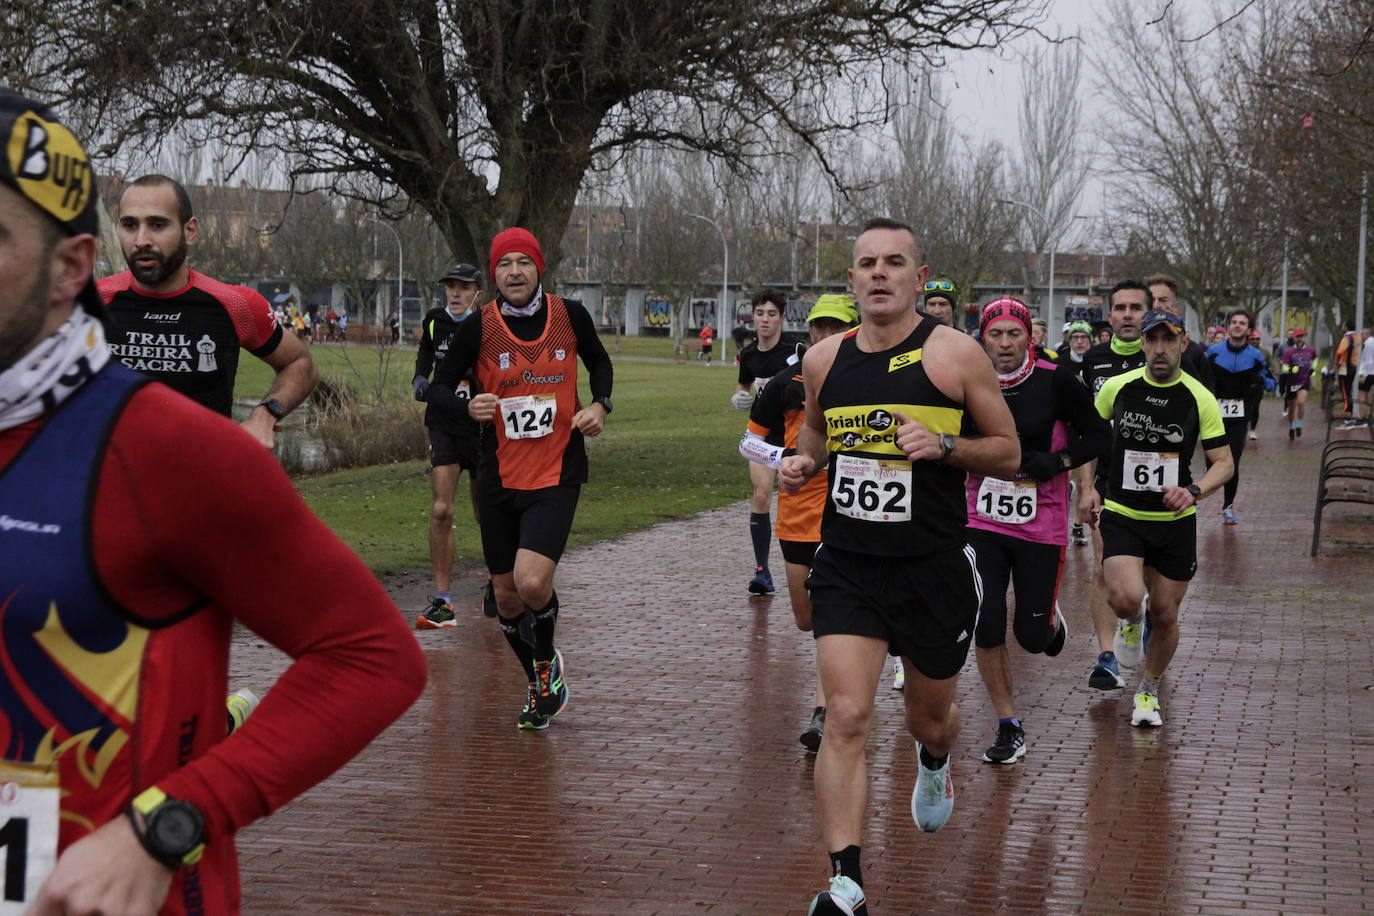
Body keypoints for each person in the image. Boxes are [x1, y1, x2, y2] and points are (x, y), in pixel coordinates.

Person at [0, 88, 425, 915]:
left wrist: (165, 824)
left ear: (68, 269)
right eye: (134, 224)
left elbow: (372, 658)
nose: (146, 239)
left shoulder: (173, 453)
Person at [779, 217, 1019, 915]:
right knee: (848, 714)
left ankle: (937, 762)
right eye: (866, 263)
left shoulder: (956, 356)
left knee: (929, 720)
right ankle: (845, 879)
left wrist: (945, 444)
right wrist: (804, 462)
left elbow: (1007, 452)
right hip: (850, 561)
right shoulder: (824, 362)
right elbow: (818, 432)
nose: (879, 273)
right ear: (851, 280)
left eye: (894, 262)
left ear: (919, 278)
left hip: (932, 569)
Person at [428, 227, 613, 729]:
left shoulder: (569, 315)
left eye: (523, 262)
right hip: (499, 479)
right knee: (506, 596)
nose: (514, 271)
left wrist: (599, 404)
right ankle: (536, 681)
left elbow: (599, 362)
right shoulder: (478, 328)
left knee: (533, 582)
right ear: (494, 274)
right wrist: (469, 403)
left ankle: (547, 659)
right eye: (504, 263)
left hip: (557, 471)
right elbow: (437, 387)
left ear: (539, 268)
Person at [966, 298, 1111, 764]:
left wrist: (1060, 463)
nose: (1005, 344)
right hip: (979, 517)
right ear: (982, 337)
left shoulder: (1055, 379)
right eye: (995, 334)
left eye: (1014, 334)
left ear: (1029, 337)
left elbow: (1097, 434)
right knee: (985, 621)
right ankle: (1009, 725)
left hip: (1041, 522)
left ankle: (1048, 624)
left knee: (1029, 637)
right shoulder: (968, 380)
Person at [1081, 308, 1233, 728]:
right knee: (1127, 597)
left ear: (1183, 343)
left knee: (1165, 613)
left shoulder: (1199, 397)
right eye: (1153, 340)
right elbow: (1090, 441)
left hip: (1173, 522)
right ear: (1143, 344)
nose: (1160, 349)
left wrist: (1194, 490)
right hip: (1124, 513)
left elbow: (1224, 462)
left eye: (1169, 340)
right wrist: (1088, 487)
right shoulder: (1117, 387)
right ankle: (1130, 623)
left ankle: (1147, 691)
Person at [101, 175, 318, 448]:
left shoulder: (234, 304)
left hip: (204, 483)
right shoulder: (89, 304)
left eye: (158, 225)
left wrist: (265, 415)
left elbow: (301, 364)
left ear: (190, 230)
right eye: (129, 225)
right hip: (109, 486)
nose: (141, 239)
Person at [740, 295, 858, 754]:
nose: (825, 338)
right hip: (798, 518)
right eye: (818, 329)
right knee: (808, 619)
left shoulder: (868, 381)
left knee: (833, 616)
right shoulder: (785, 383)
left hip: (850, 516)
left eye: (836, 329)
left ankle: (824, 709)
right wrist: (783, 457)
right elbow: (749, 443)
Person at [1072, 280, 1150, 692]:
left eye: (1136, 308)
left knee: (1143, 579)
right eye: (1119, 307)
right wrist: (1086, 486)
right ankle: (1106, 658)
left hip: (1155, 485)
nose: (1126, 315)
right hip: (1109, 480)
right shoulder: (1095, 359)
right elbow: (1088, 428)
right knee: (1104, 564)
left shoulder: (1161, 354)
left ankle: (1136, 618)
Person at [412, 262, 485, 628]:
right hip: (444, 424)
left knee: (484, 510)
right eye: (450, 287)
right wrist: (420, 378)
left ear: (477, 293)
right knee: (442, 510)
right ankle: (443, 603)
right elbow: (426, 350)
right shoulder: (434, 320)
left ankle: (497, 580)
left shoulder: (490, 325)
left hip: (483, 428)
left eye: (463, 287)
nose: (455, 293)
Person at [732, 289, 798, 595]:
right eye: (760, 314)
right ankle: (762, 571)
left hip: (794, 433)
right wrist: (739, 397)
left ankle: (808, 562)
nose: (765, 320)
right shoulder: (747, 354)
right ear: (753, 317)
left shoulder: (796, 350)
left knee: (794, 498)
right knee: (761, 495)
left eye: (772, 314)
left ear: (782, 318)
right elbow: (744, 384)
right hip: (762, 435)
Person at [1204, 309, 1275, 526]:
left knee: (1231, 462)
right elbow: (1199, 378)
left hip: (1240, 414)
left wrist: (1261, 382)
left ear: (1248, 329)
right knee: (1211, 463)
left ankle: (1227, 505)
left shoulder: (1256, 356)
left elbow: (1271, 382)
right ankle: (1205, 488)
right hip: (1214, 414)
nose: (1237, 325)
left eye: (1241, 323)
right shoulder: (1213, 352)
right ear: (1228, 326)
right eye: (1233, 322)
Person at [1145, 273, 1213, 390]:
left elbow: (1206, 394)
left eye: (1162, 300)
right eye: (1151, 300)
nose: (1156, 306)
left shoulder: (1193, 351)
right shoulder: (1130, 346)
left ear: (1175, 306)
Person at [1281, 329, 1316, 439]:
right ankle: (1291, 427)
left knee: (1301, 402)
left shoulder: (1310, 350)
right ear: (1294, 338)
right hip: (1291, 382)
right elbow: (1284, 368)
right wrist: (1291, 369)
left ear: (1304, 337)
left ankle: (1299, 425)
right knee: (1292, 408)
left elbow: (1315, 359)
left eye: (1301, 336)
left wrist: (1313, 369)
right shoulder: (1289, 352)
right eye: (1297, 337)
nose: (1299, 338)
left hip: (1304, 381)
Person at [1335, 320, 1359, 423]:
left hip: (1344, 368)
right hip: (1353, 367)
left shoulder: (1346, 338)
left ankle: (1347, 416)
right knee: (1349, 391)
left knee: (1345, 393)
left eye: (1343, 325)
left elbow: (1340, 352)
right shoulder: (1357, 337)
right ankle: (1350, 413)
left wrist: (1337, 363)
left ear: (1346, 327)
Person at [1357, 328, 1374, 425]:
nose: (1361, 336)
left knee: (1362, 395)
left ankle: (1362, 417)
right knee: (1370, 395)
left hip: (1368, 372)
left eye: (1362, 334)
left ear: (1367, 334)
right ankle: (1369, 415)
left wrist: (1363, 375)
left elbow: (1368, 361)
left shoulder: (1367, 344)